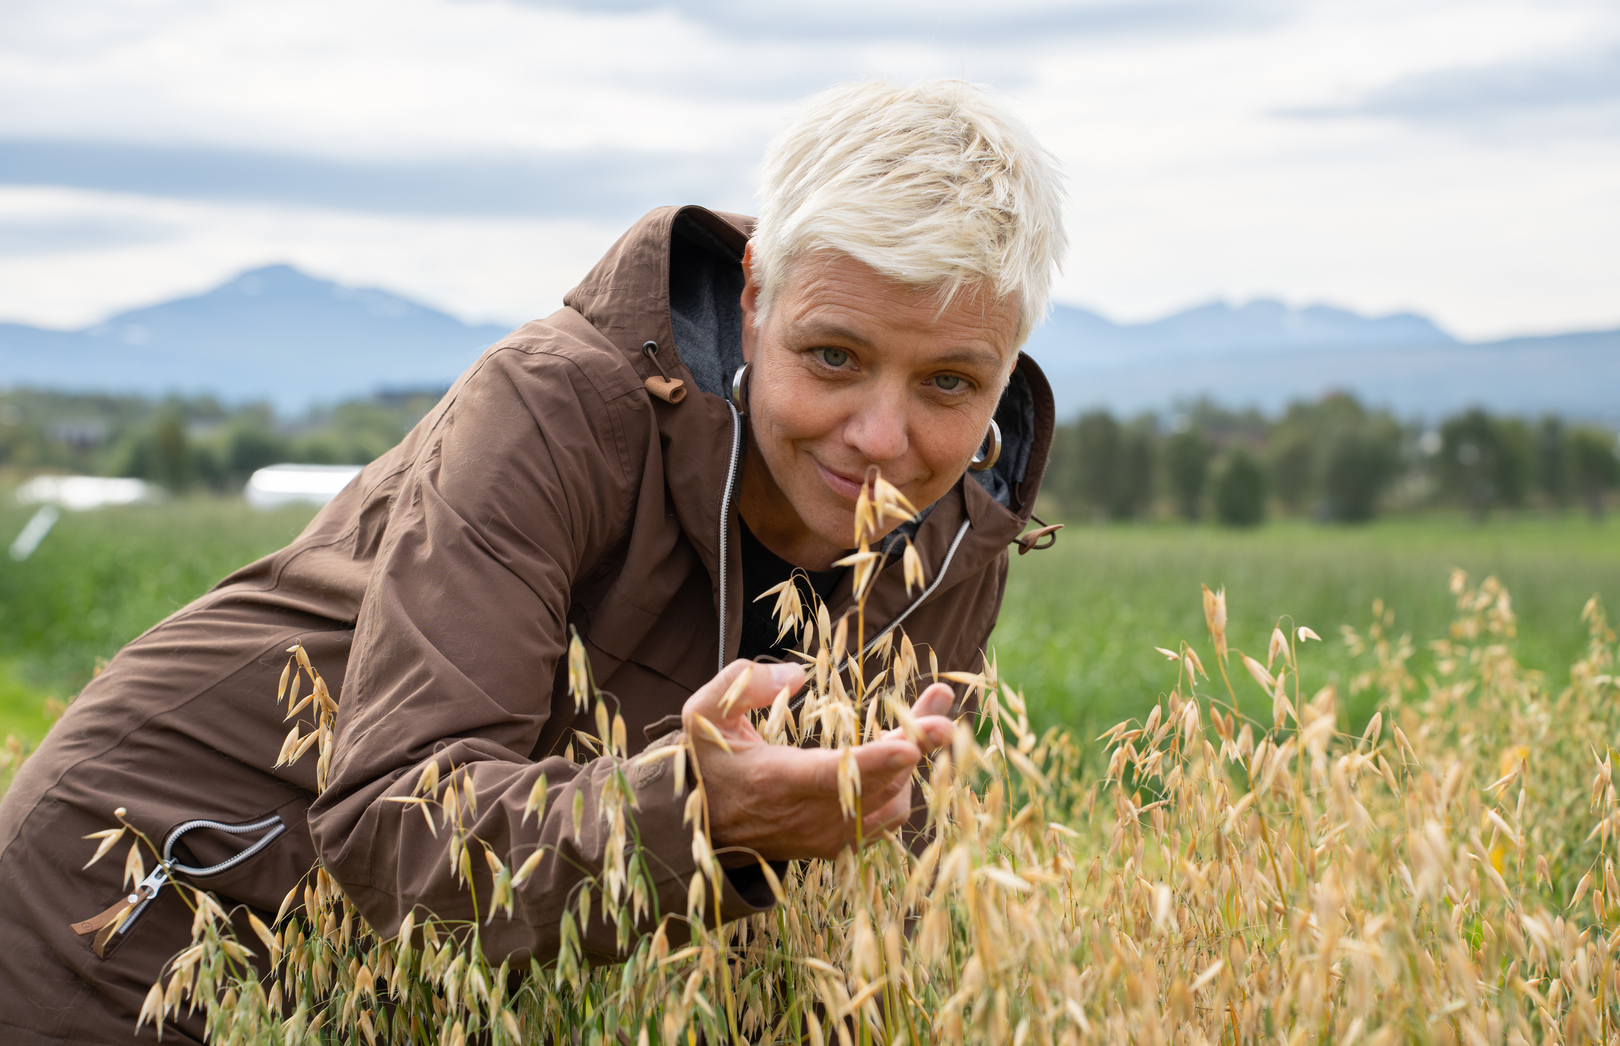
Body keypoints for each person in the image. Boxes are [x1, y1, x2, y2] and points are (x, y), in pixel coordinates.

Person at [0, 79, 1066, 1043]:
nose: (882, 439)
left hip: (410, 990)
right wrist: (698, 814)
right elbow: (399, 828)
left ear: (1004, 367)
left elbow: (847, 915)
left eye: (949, 384)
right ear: (754, 302)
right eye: (833, 357)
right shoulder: (558, 405)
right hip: (149, 900)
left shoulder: (955, 524)